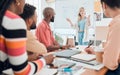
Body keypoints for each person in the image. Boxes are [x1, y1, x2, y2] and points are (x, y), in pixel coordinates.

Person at [0, 0, 53, 75]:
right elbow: (22, 71)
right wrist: (44, 61)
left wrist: (27, 58)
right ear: (17, 1)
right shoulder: (14, 22)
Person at [85, 0, 120, 75]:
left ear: (104, 5)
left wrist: (102, 57)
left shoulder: (117, 24)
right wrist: (96, 54)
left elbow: (110, 63)